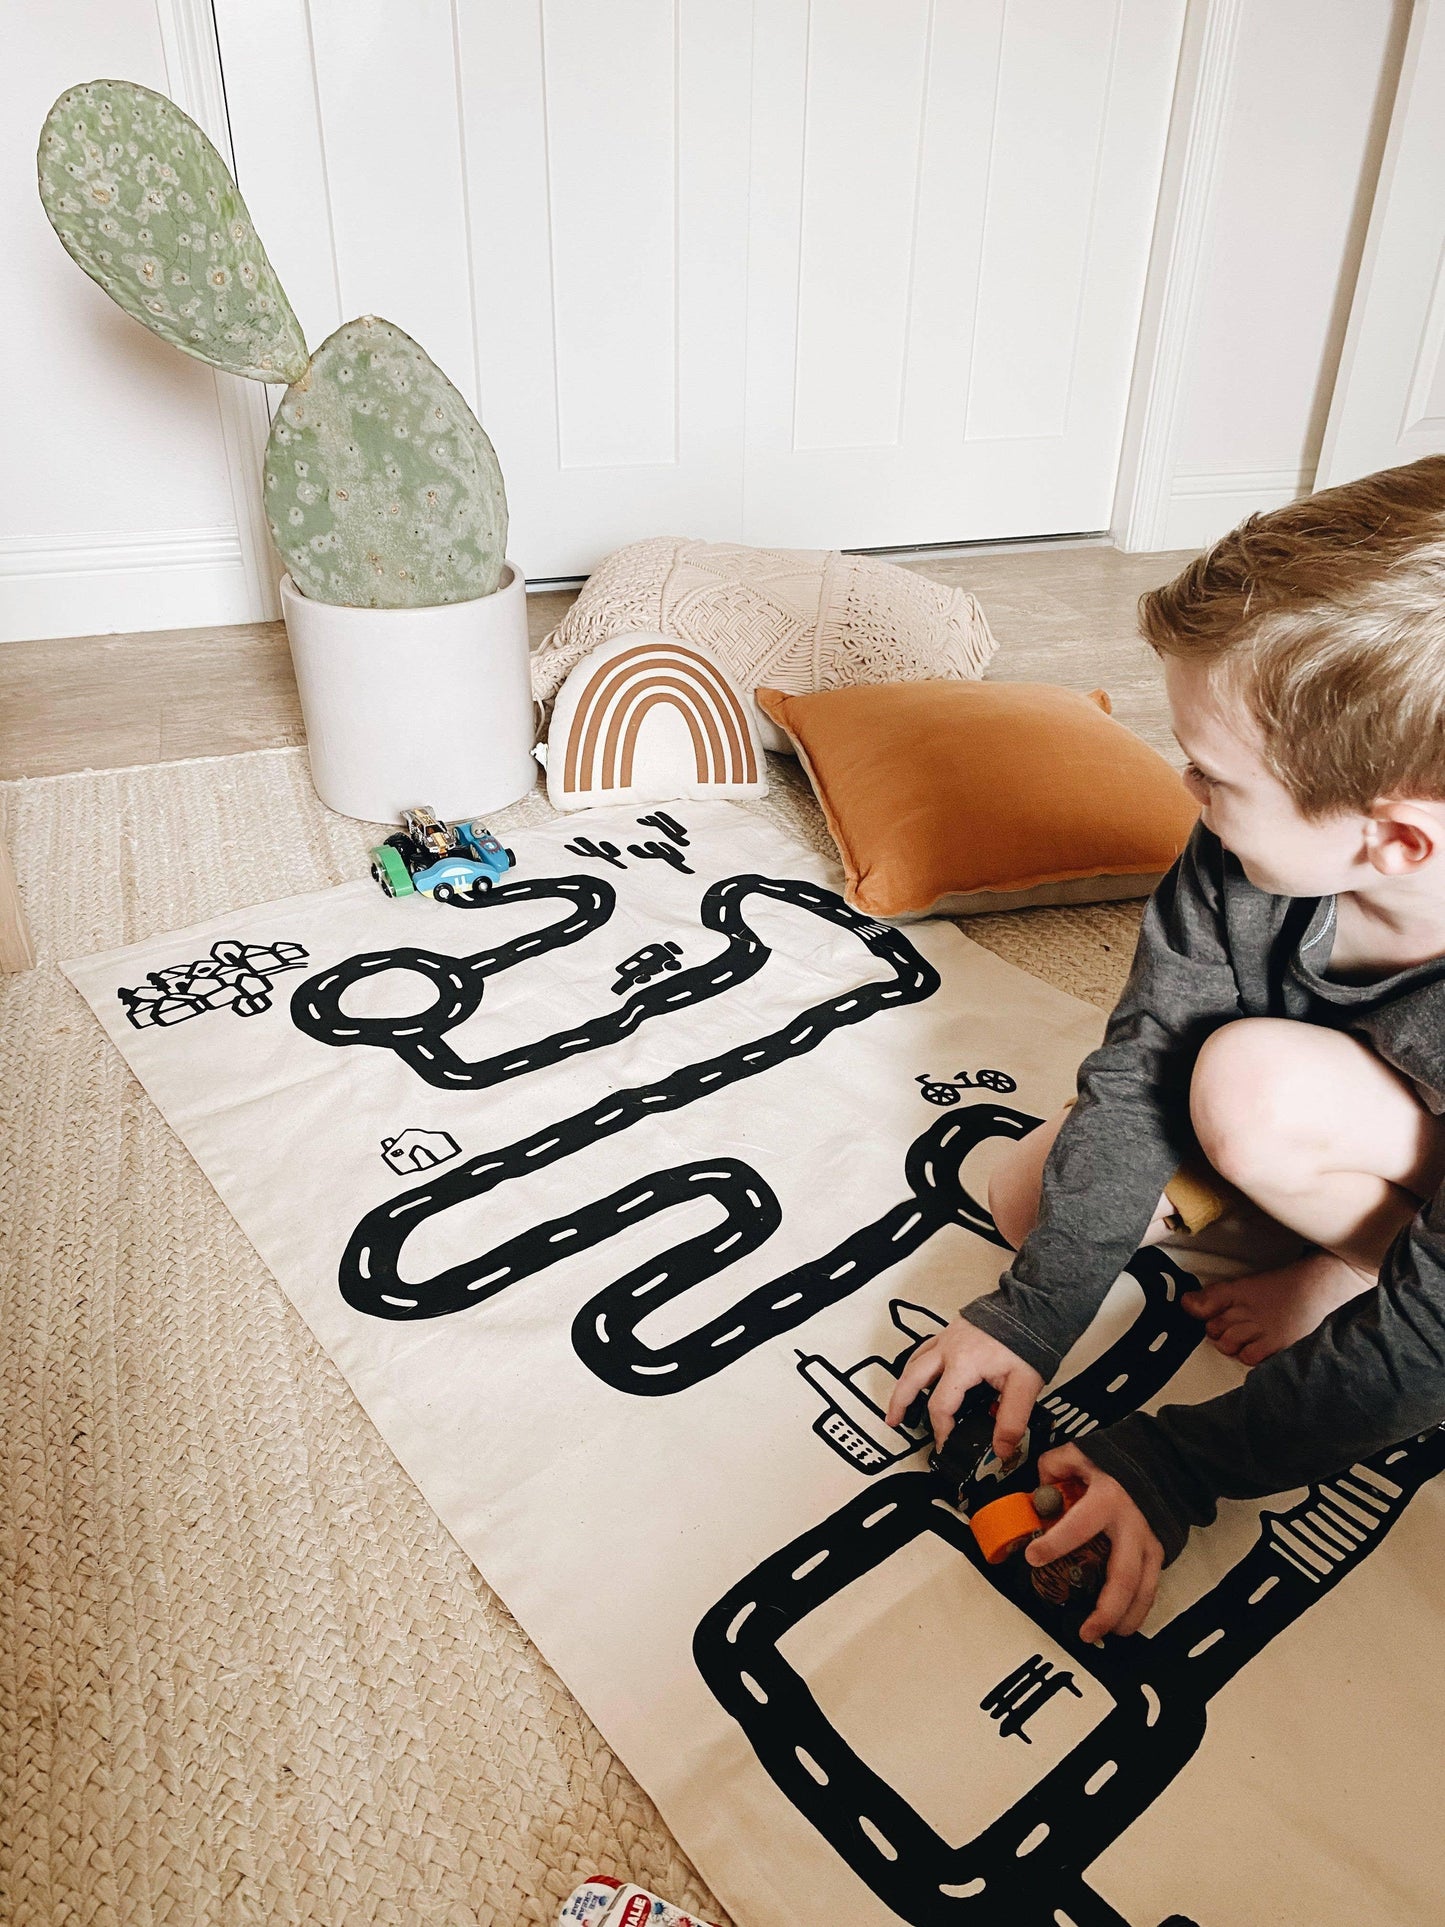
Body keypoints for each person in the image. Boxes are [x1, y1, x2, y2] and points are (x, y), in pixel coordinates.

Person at [886, 454, 1445, 1642]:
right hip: (1326, 1125)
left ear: (1393, 838)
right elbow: (1141, 1067)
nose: (1181, 789)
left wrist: (1174, 1464)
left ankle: (1352, 1263)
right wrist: (1031, 1317)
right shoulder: (1237, 864)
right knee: (1031, 1196)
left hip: (1345, 1145)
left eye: (1214, 777)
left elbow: (1427, 1346)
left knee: (1246, 1088)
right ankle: (1323, 1236)